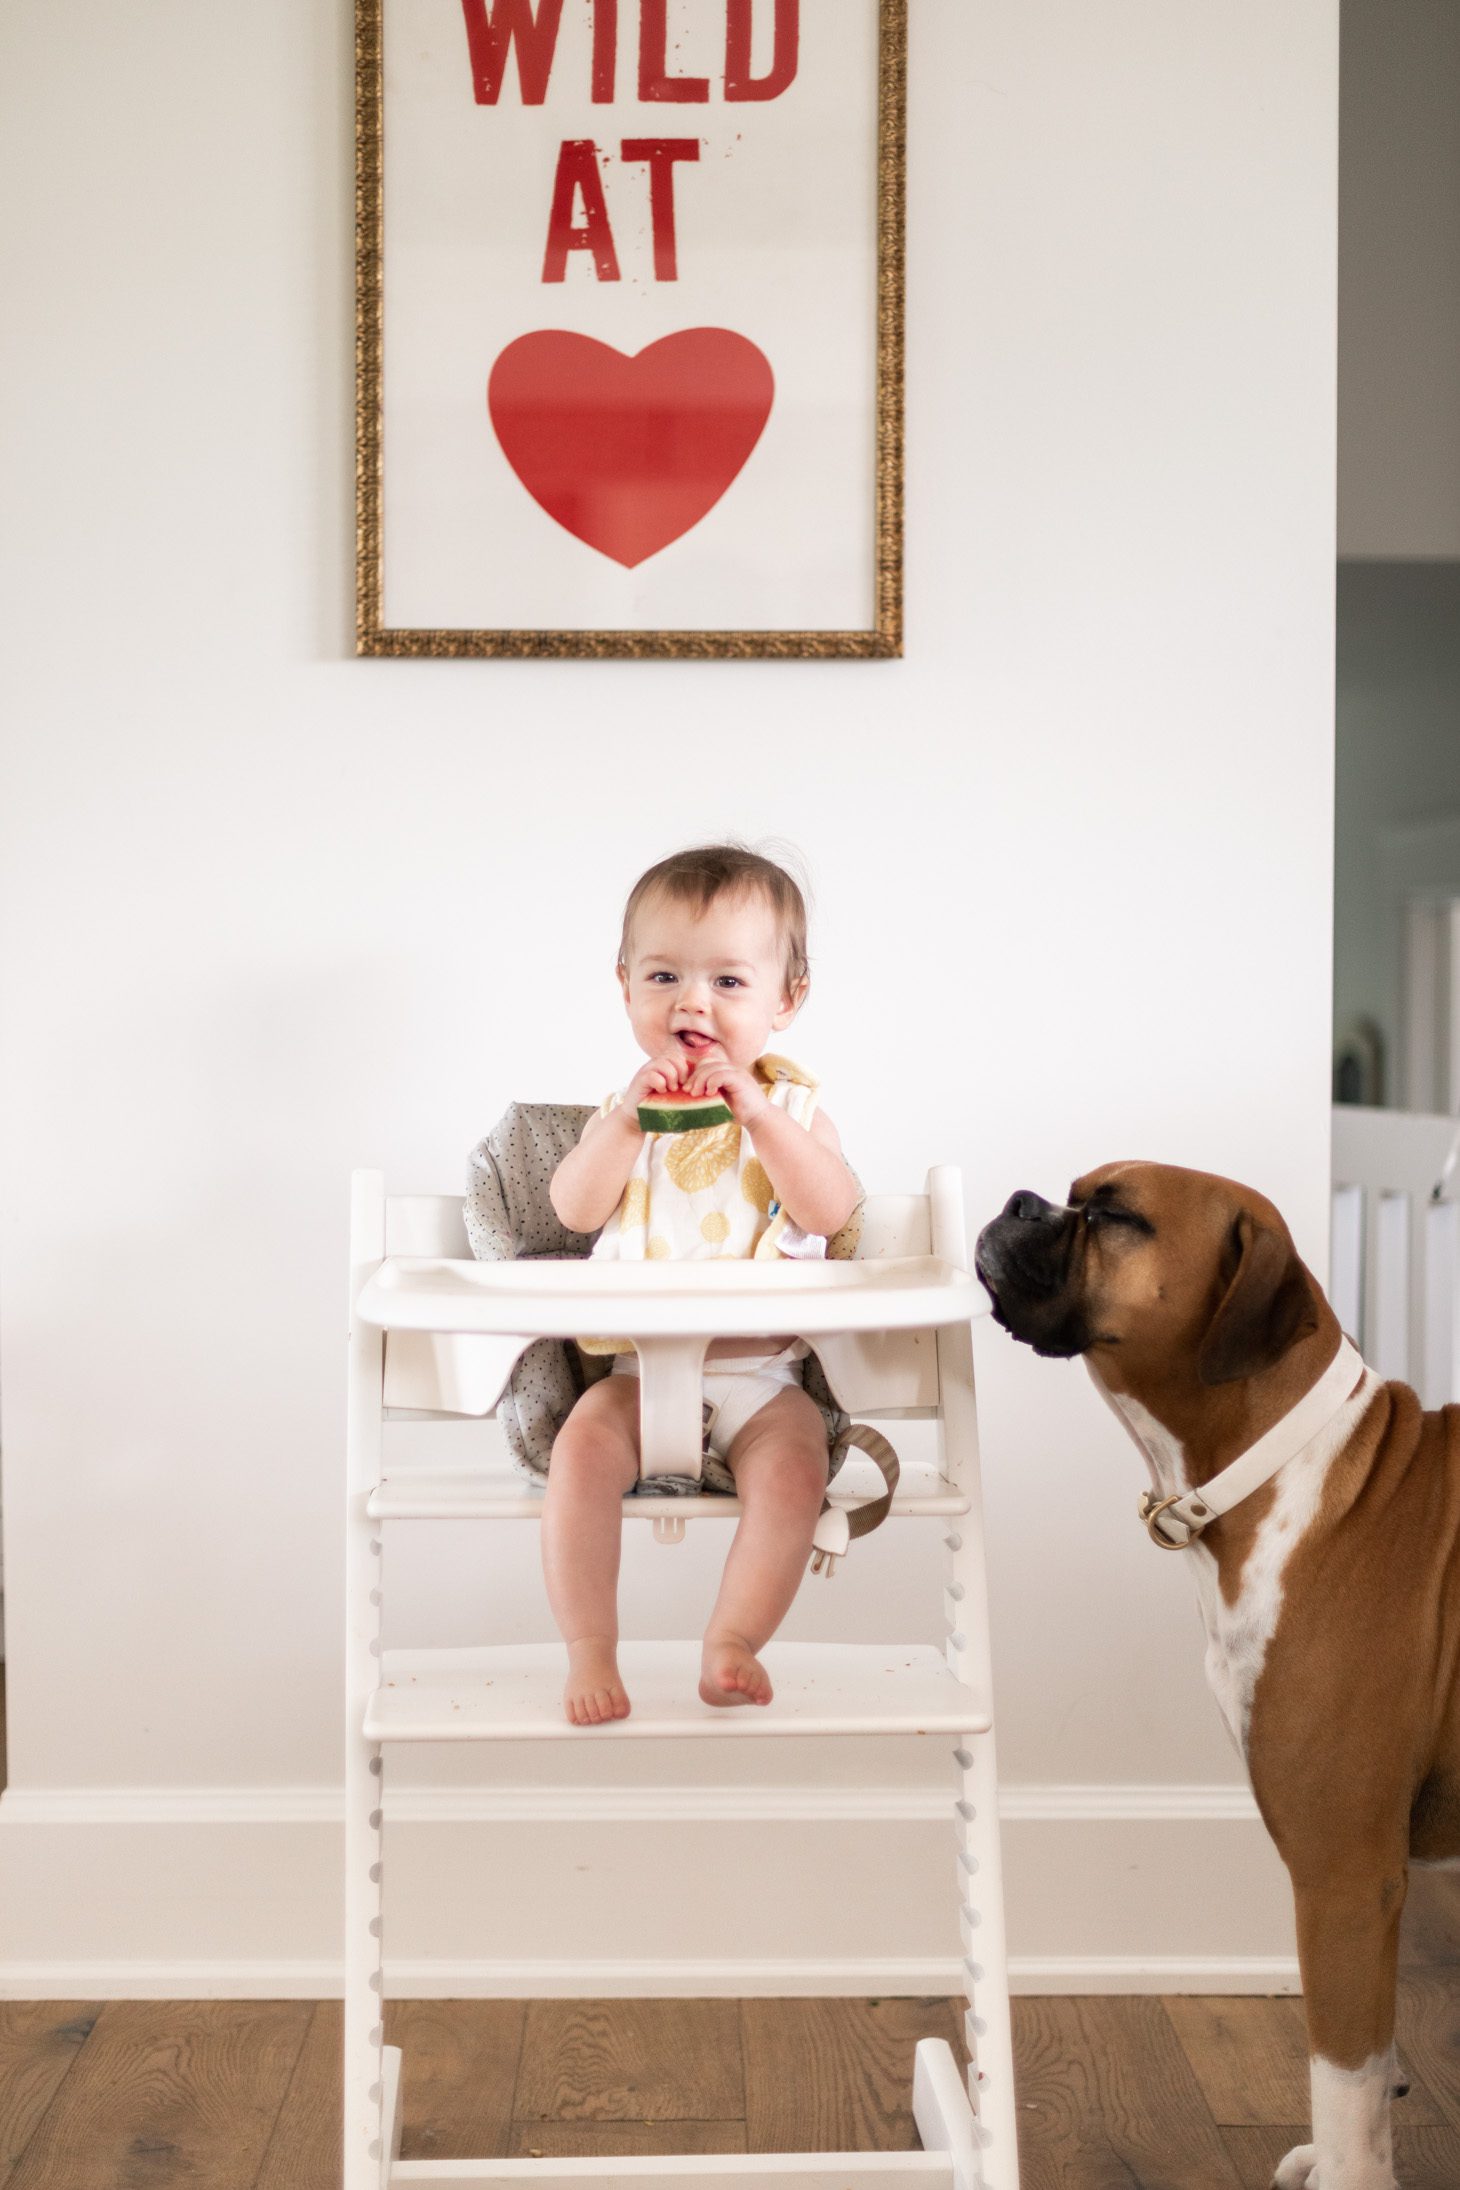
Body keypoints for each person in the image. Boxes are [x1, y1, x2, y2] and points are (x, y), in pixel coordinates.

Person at [545, 844, 860, 1727]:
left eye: (728, 981)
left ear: (785, 1000)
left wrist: (758, 1116)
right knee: (579, 1456)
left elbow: (832, 1209)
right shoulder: (624, 1113)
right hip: (636, 1378)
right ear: (625, 987)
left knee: (798, 1472)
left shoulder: (793, 1112)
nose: (693, 1001)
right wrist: (621, 1126)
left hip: (763, 1381)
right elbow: (573, 1212)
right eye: (664, 975)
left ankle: (733, 1639)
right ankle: (588, 1648)